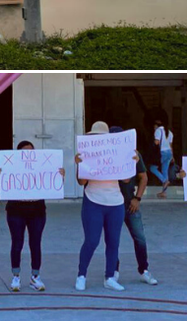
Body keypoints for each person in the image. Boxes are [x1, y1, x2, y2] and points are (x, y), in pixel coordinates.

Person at [74, 121, 138, 292]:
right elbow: (81, 182)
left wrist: (132, 162)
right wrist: (79, 164)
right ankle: (81, 275)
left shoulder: (116, 152)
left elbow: (125, 179)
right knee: (92, 240)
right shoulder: (85, 153)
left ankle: (110, 277)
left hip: (115, 202)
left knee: (113, 242)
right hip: (93, 200)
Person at [0, 140, 65, 292]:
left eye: (31, 151)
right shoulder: (10, 167)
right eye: (25, 151)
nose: (28, 154)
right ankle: (16, 276)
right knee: (17, 243)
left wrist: (60, 176)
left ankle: (35, 276)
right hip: (15, 210)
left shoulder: (42, 166)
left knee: (35, 243)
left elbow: (53, 184)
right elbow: (4, 184)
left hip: (37, 210)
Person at [112, 126, 158, 285]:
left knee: (140, 238)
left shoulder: (133, 154)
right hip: (111, 203)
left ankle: (144, 270)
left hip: (130, 202)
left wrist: (137, 198)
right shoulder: (106, 155)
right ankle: (113, 271)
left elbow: (143, 177)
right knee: (113, 240)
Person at [150, 118, 174, 198]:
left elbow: (157, 142)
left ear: (156, 125)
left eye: (154, 126)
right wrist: (172, 156)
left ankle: (164, 180)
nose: (153, 127)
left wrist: (151, 145)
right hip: (169, 153)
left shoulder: (158, 131)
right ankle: (164, 192)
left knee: (152, 168)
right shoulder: (170, 132)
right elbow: (170, 146)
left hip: (162, 153)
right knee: (165, 171)